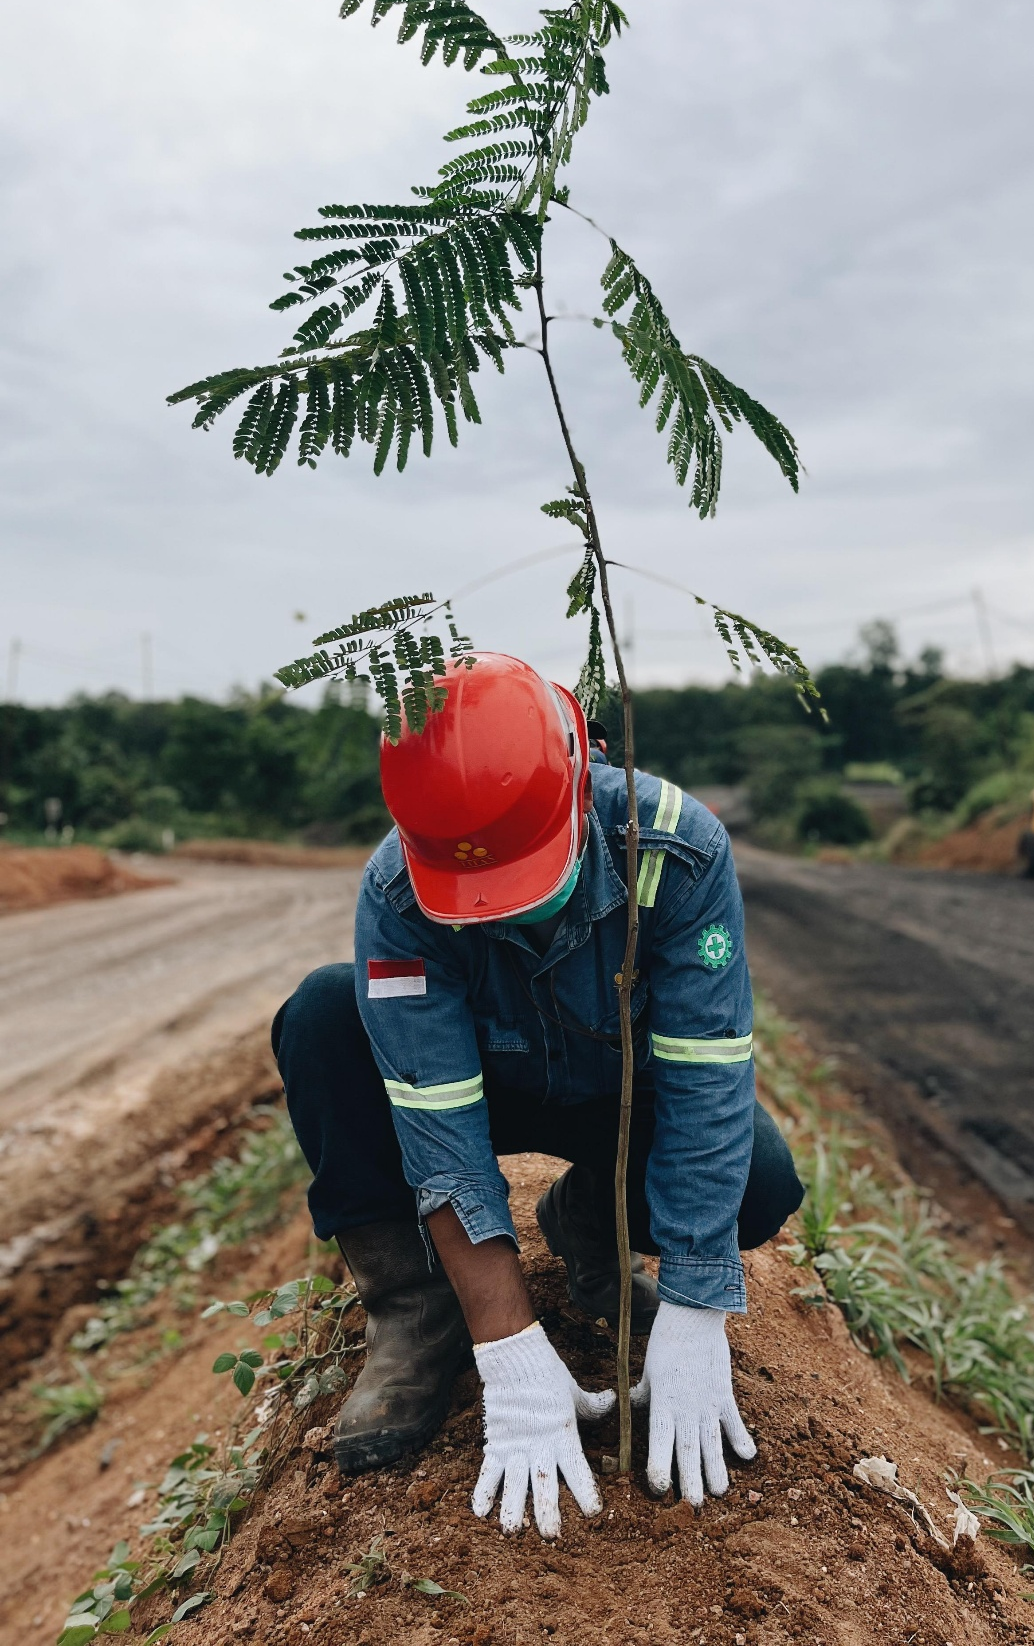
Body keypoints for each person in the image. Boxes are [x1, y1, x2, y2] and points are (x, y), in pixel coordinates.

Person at [271, 651, 803, 1539]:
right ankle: (416, 1312)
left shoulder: (676, 849)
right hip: (485, 1085)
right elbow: (437, 1124)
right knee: (324, 1013)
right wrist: (510, 1350)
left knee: (761, 1179)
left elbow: (706, 1079)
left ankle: (590, 1224)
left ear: (580, 774)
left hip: (619, 1094)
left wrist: (696, 1306)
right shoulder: (399, 887)